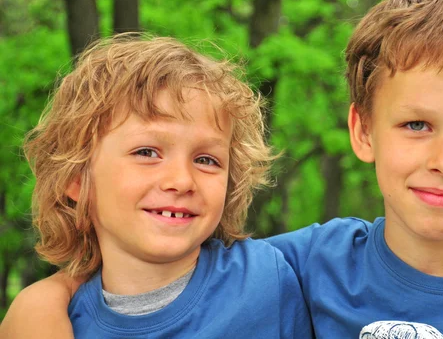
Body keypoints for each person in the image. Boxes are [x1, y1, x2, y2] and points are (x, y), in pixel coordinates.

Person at [3, 0, 443, 338]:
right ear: (363, 130)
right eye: (417, 124)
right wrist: (40, 303)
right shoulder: (308, 267)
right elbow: (138, 275)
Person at [0, 35, 312, 338]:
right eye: (147, 153)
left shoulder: (274, 273)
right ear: (77, 179)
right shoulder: (61, 324)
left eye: (206, 160)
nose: (181, 181)